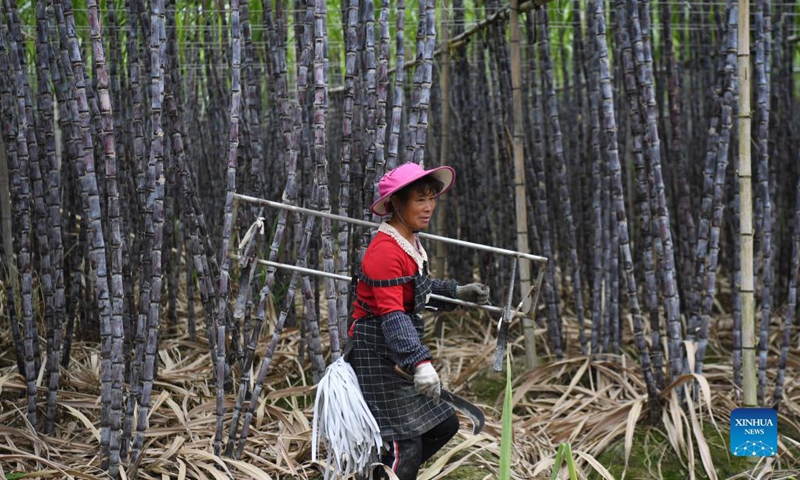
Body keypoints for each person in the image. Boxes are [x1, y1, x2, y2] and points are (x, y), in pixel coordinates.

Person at [348, 162, 490, 480]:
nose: (428, 208)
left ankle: (378, 474)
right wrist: (420, 363)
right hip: (376, 354)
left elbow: (417, 291)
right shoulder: (385, 251)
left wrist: (458, 292)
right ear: (396, 203)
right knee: (406, 445)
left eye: (431, 198)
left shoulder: (409, 241)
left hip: (395, 351)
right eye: (419, 200)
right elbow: (393, 314)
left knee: (445, 425)